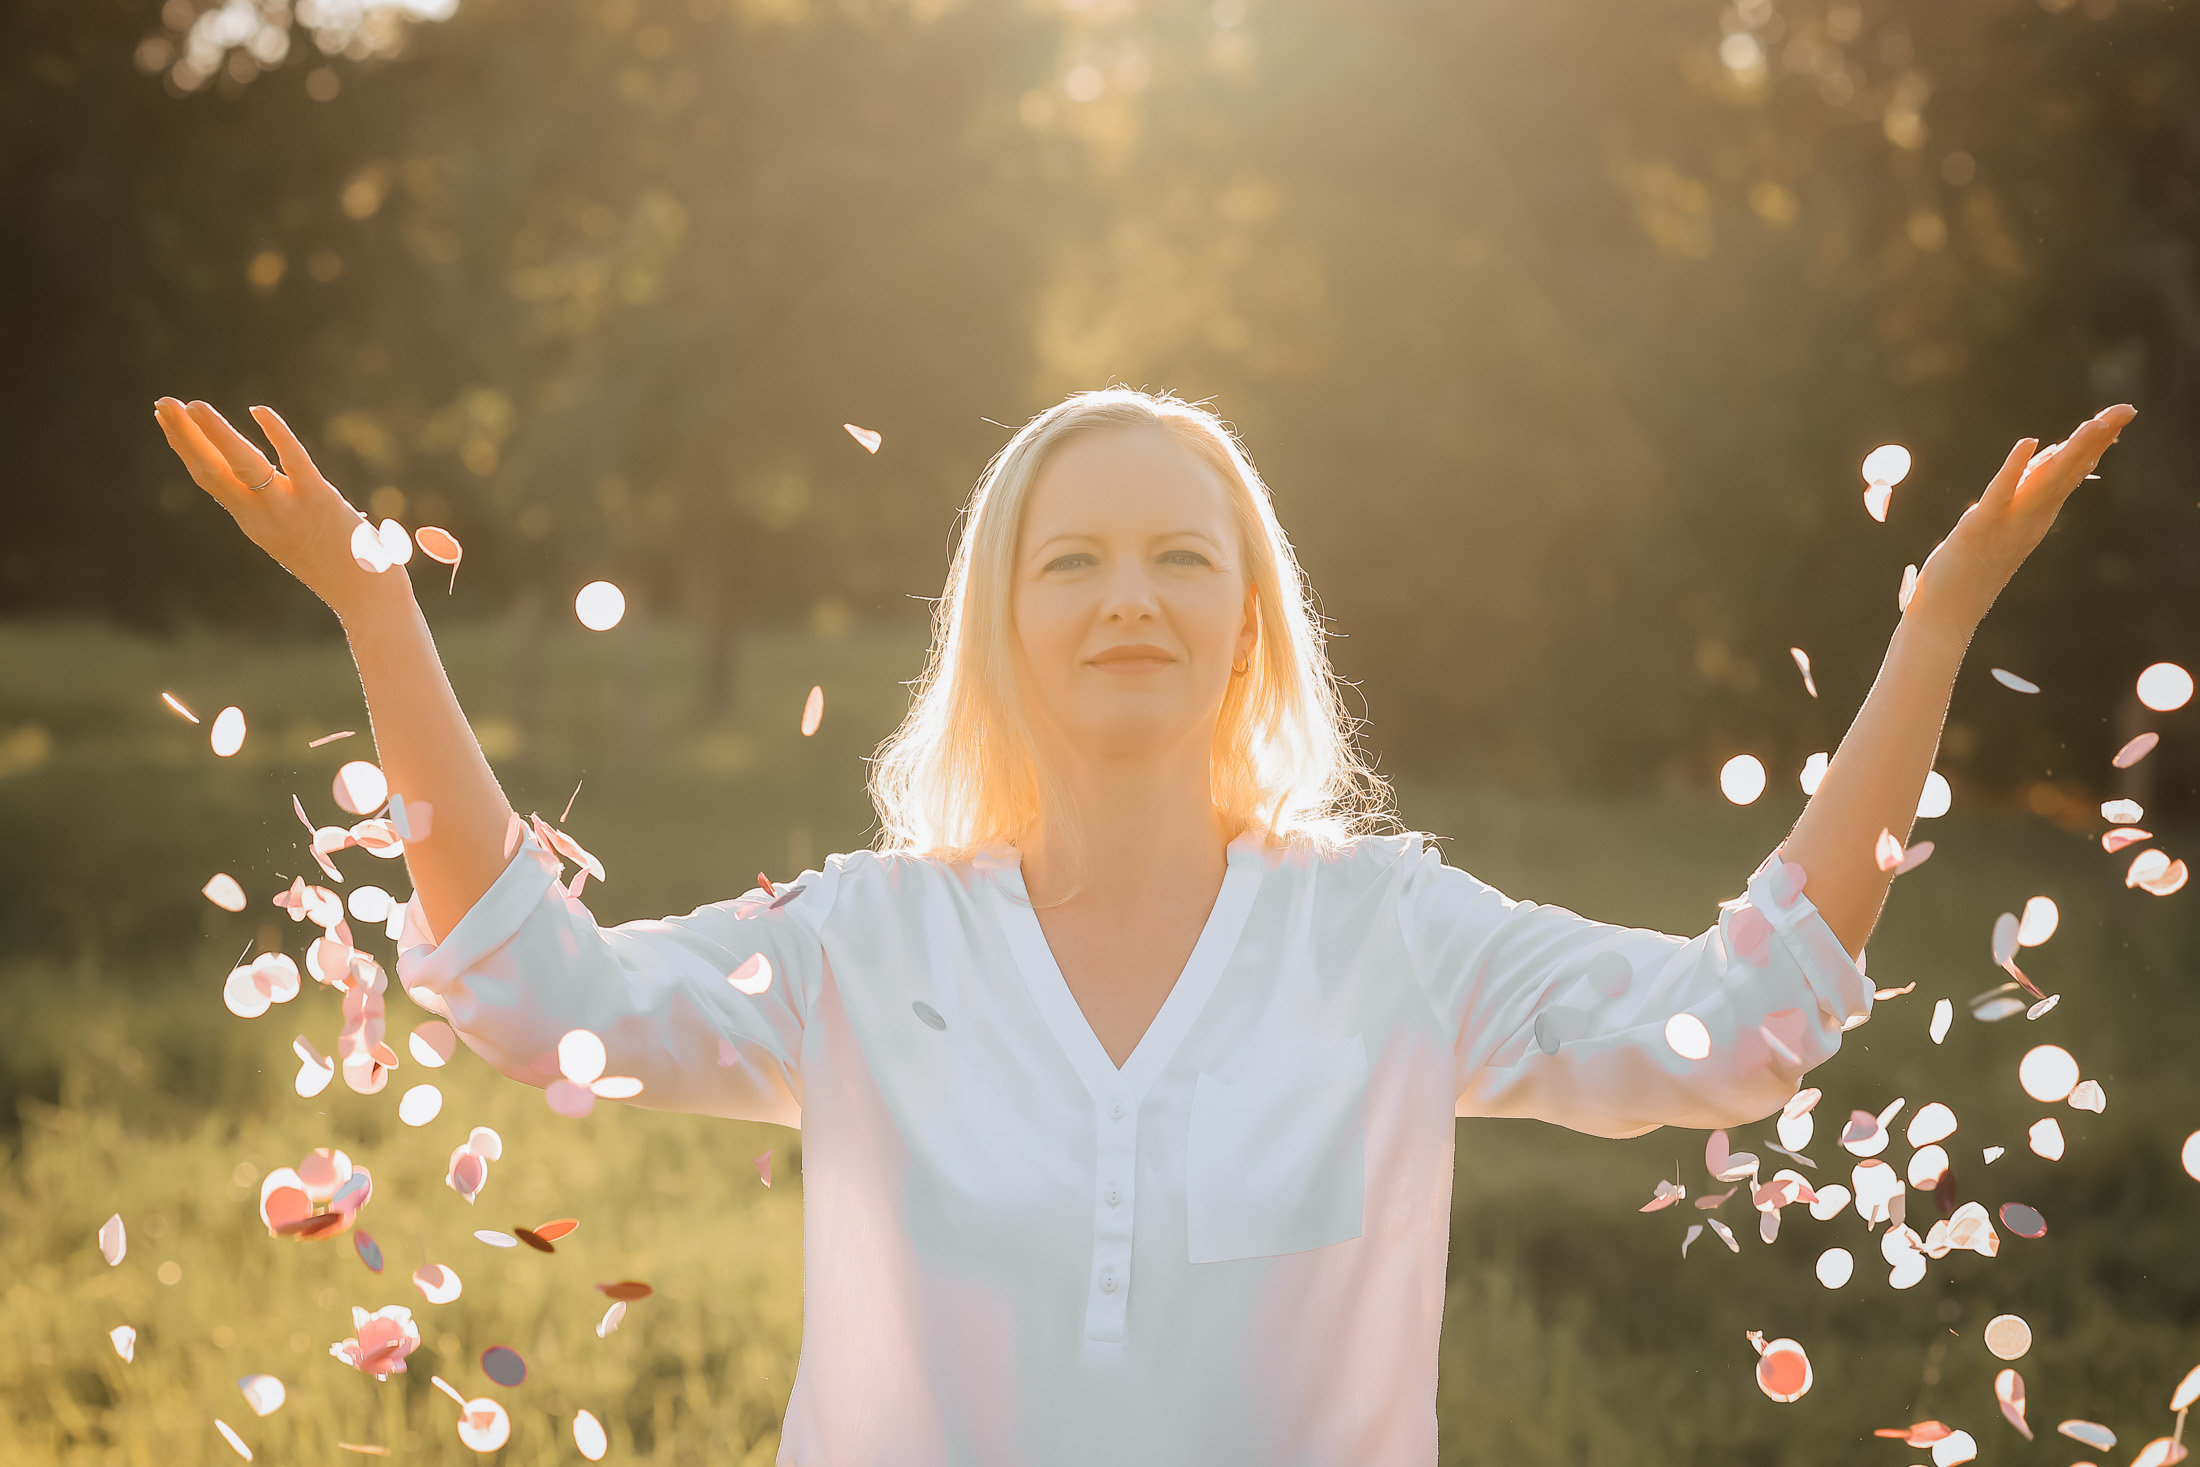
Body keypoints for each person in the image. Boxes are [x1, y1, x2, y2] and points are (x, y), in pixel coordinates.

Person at [153, 387, 2132, 1465]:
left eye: (1182, 554)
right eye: (1071, 555)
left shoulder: (1388, 937)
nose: (1126, 592)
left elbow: (1736, 1027)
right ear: (998, 621)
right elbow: (530, 991)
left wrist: (1930, 625)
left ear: (1247, 624)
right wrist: (375, 607)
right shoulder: (861, 943)